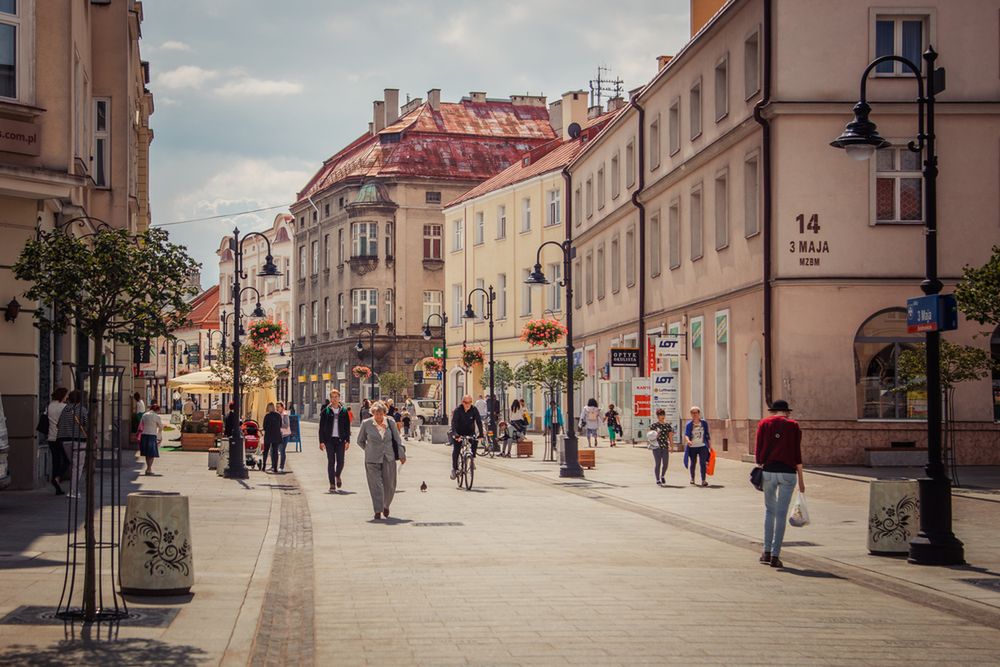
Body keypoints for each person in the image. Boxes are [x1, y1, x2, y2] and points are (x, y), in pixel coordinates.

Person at [755, 400, 804, 568]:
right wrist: (802, 480)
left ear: (774, 411)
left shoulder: (764, 423)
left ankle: (766, 552)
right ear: (787, 412)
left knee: (770, 511)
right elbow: (797, 454)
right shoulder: (793, 426)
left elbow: (758, 450)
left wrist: (761, 461)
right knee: (781, 514)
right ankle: (776, 555)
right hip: (788, 473)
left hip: (768, 472)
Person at [356, 401, 406, 521]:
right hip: (372, 459)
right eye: (376, 414)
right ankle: (378, 510)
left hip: (388, 457)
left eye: (380, 414)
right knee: (376, 485)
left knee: (390, 485)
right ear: (372, 413)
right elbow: (360, 441)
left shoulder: (390, 422)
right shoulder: (366, 424)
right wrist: (368, 449)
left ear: (384, 413)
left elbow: (397, 439)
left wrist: (401, 454)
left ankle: (386, 505)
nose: (378, 416)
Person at [56, 390, 88, 498]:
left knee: (74, 465)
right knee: (77, 466)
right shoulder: (82, 410)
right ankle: (73, 491)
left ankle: (73, 490)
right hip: (79, 441)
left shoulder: (65, 409)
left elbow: (59, 424)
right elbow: (87, 424)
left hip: (65, 441)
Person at [319, 390, 352, 492]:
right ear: (330, 398)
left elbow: (347, 427)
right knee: (331, 462)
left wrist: (348, 440)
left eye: (336, 397)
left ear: (339, 398)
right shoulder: (326, 411)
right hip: (329, 440)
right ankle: (332, 484)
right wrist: (321, 441)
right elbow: (321, 428)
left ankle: (337, 475)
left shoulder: (344, 411)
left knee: (341, 461)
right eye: (332, 397)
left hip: (341, 439)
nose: (334, 399)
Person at [450, 395, 484, 479]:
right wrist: (455, 435)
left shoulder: (474, 410)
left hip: (469, 431)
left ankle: (472, 459)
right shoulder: (458, 411)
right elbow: (453, 424)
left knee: (475, 440)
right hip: (459, 432)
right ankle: (454, 469)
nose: (468, 404)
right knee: (456, 450)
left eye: (470, 402)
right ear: (462, 402)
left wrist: (481, 434)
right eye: (466, 403)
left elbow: (479, 422)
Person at [46, 388, 69, 495]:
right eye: (66, 395)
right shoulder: (64, 407)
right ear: (62, 396)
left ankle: (57, 486)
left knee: (56, 461)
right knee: (66, 460)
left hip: (51, 437)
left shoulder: (49, 406)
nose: (67, 397)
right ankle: (57, 477)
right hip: (61, 437)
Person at [684, 406, 712, 487]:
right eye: (692, 413)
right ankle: (692, 478)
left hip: (702, 446)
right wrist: (688, 441)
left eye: (696, 412)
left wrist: (710, 445)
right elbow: (686, 434)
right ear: (691, 414)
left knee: (703, 463)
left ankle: (703, 480)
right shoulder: (689, 424)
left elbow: (707, 434)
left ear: (699, 413)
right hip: (692, 446)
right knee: (693, 463)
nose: (694, 414)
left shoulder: (704, 423)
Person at [648, 409, 675, 485]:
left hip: (665, 446)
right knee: (658, 463)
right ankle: (657, 479)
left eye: (663, 414)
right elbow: (649, 435)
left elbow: (670, 437)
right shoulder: (654, 425)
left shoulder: (667, 426)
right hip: (656, 447)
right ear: (657, 416)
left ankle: (662, 475)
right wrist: (656, 434)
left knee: (665, 464)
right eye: (660, 415)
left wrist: (672, 446)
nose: (662, 416)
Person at [138, 403, 164, 475]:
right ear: (157, 410)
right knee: (151, 453)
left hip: (144, 435)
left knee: (147, 453)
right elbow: (161, 427)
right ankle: (149, 469)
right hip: (152, 435)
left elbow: (141, 424)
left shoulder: (144, 415)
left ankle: (148, 468)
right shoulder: (156, 416)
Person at [262, 402, 283, 473]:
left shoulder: (267, 416)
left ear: (268, 408)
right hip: (276, 435)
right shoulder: (278, 415)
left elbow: (264, 426)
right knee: (275, 452)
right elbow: (280, 425)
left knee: (266, 451)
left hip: (268, 435)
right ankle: (275, 468)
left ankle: (264, 466)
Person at [277, 401, 292, 471]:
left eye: (278, 407)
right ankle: (274, 466)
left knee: (282, 450)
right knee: (276, 450)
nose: (277, 408)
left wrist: (278, 423)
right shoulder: (277, 414)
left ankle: (281, 467)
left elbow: (287, 425)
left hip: (285, 435)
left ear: (282, 407)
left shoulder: (285, 414)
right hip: (279, 435)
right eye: (276, 407)